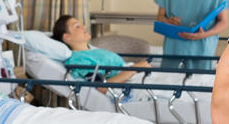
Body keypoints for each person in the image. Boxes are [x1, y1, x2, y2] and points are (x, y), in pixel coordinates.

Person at [51, 14, 215, 96]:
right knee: (194, 87)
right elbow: (100, 87)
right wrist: (135, 68)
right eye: (77, 26)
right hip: (132, 83)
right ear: (67, 37)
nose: (84, 26)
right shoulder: (78, 60)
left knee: (199, 80)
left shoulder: (94, 51)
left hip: (136, 76)